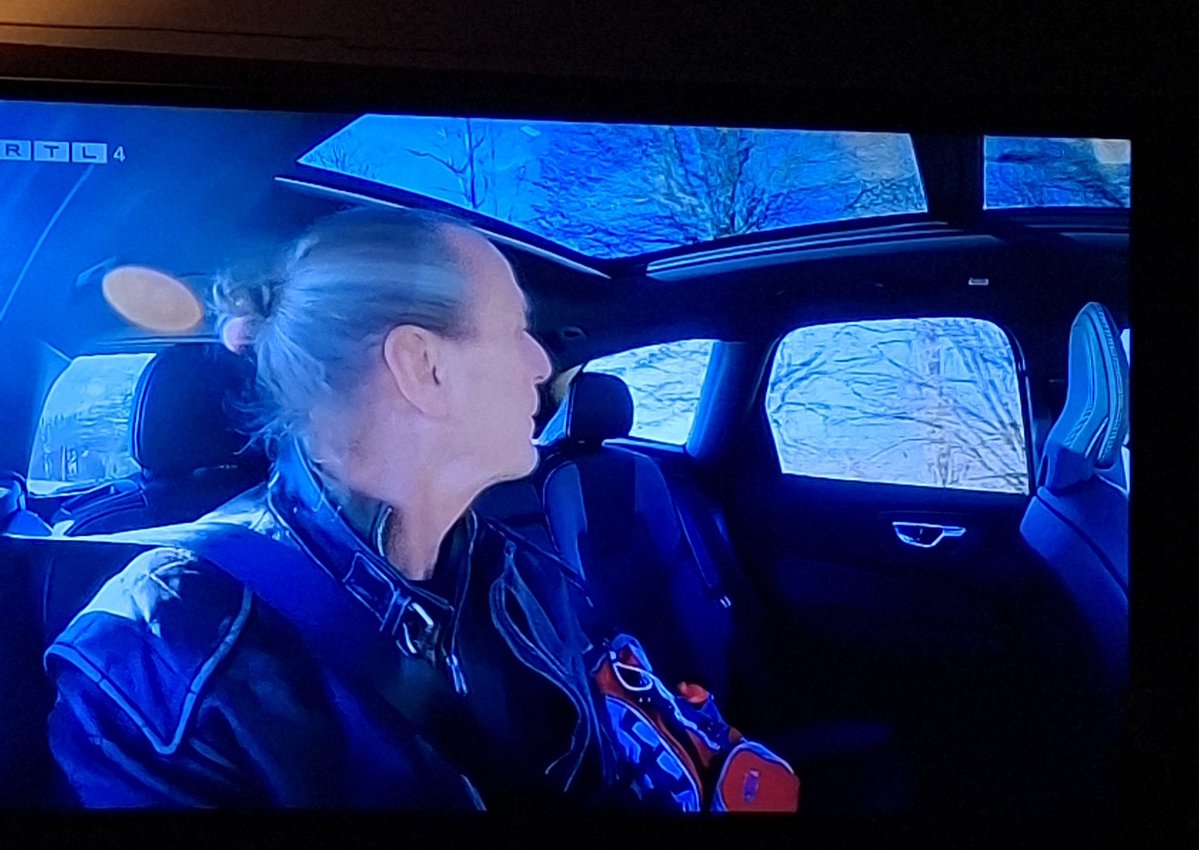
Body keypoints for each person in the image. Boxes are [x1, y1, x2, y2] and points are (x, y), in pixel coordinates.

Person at [44, 207, 796, 811]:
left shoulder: (514, 570)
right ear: (421, 366)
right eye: (516, 331)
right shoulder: (153, 650)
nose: (542, 363)